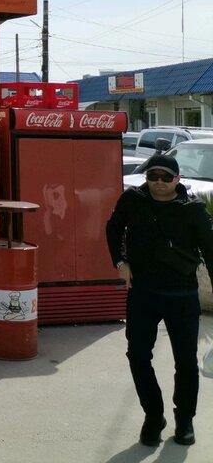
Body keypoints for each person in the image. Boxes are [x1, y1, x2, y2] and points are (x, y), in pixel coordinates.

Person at [105, 153, 213, 447]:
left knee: (186, 362)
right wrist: (120, 261)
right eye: (153, 176)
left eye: (166, 177)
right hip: (142, 294)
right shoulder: (133, 200)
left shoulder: (192, 210)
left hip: (182, 296)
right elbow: (113, 227)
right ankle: (154, 416)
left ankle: (185, 420)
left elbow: (211, 252)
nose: (159, 182)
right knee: (138, 356)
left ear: (178, 179)